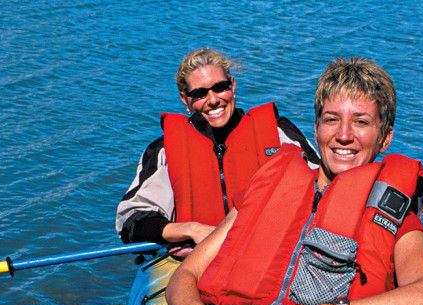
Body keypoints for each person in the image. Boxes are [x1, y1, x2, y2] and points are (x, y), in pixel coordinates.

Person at [166, 57, 423, 305]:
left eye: (361, 122)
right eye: (332, 119)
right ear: (315, 129)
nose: (344, 135)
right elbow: (183, 277)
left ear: (385, 138)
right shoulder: (268, 187)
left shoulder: (392, 215)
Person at [116, 47, 319, 246]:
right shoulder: (165, 151)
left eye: (220, 87)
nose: (213, 100)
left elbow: (323, 187)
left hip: (267, 251)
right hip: (197, 259)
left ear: (232, 85)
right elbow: (131, 221)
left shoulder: (278, 133)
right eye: (200, 93)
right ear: (185, 99)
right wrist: (192, 230)